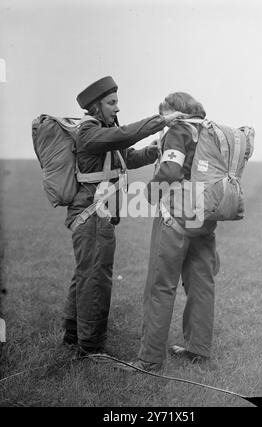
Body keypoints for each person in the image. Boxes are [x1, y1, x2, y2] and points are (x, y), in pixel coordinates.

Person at [63, 76, 186, 357]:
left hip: (96, 216)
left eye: (117, 102)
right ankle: (91, 348)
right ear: (95, 107)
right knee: (96, 278)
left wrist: (151, 152)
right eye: (111, 103)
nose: (117, 108)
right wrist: (161, 120)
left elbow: (125, 156)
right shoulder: (89, 132)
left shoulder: (102, 132)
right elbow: (123, 136)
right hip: (92, 216)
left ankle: (72, 334)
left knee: (85, 274)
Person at [121, 92, 220, 372]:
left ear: (176, 112)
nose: (164, 122)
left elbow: (169, 170)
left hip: (175, 214)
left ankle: (149, 359)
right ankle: (198, 350)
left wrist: (150, 195)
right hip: (204, 217)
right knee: (201, 283)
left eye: (165, 115)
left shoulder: (178, 131)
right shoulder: (208, 132)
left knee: (160, 286)